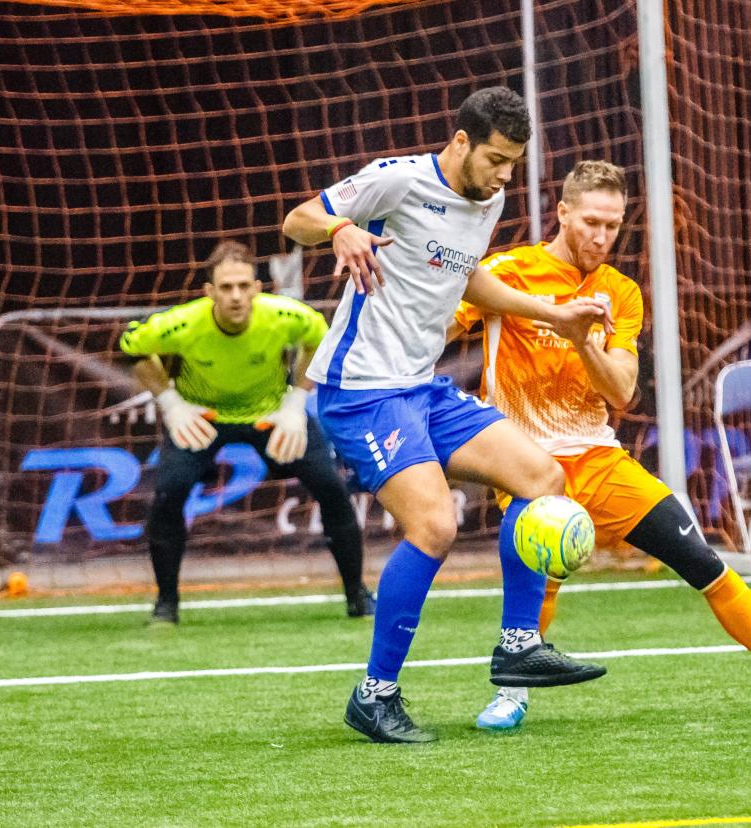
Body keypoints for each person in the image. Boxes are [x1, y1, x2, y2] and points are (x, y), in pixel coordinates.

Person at [449, 160, 751, 730]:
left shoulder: (619, 293)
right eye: (590, 221)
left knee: (704, 563)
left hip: (600, 459)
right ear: (562, 212)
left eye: (613, 226)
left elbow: (621, 391)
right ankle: (512, 696)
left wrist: (582, 340)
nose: (600, 236)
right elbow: (439, 325)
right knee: (538, 580)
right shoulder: (507, 272)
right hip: (525, 465)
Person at [281, 87, 611, 744]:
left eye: (514, 162)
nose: (504, 175)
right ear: (461, 141)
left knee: (541, 479)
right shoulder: (397, 180)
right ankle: (376, 695)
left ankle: (519, 644)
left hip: (420, 388)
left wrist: (555, 314)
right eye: (495, 158)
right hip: (360, 391)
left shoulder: (489, 200)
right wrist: (342, 227)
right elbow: (296, 220)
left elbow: (463, 278)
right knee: (433, 525)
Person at [120, 240, 374, 625]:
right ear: (209, 292)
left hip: (272, 416)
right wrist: (171, 403)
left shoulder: (288, 317)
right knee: (168, 496)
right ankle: (166, 604)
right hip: (201, 420)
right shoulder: (183, 323)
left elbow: (318, 342)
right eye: (226, 288)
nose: (236, 296)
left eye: (243, 286)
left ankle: (357, 595)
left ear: (258, 287)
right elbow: (133, 349)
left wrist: (295, 402)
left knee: (332, 488)